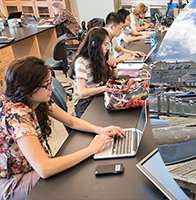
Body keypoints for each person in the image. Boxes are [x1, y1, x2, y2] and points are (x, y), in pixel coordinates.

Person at [0, 56, 124, 200]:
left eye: (50, 82)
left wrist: (100, 129)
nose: (51, 87)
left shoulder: (36, 99)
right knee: (71, 182)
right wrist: (91, 149)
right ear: (28, 89)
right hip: (13, 181)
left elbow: (70, 121)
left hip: (32, 168)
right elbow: (45, 169)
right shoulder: (17, 116)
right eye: (46, 84)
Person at [70, 27, 118, 118]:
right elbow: (82, 92)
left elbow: (115, 76)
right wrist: (105, 88)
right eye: (105, 44)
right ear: (94, 44)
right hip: (83, 102)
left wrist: (113, 66)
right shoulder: (81, 62)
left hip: (96, 96)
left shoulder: (98, 57)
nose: (108, 48)